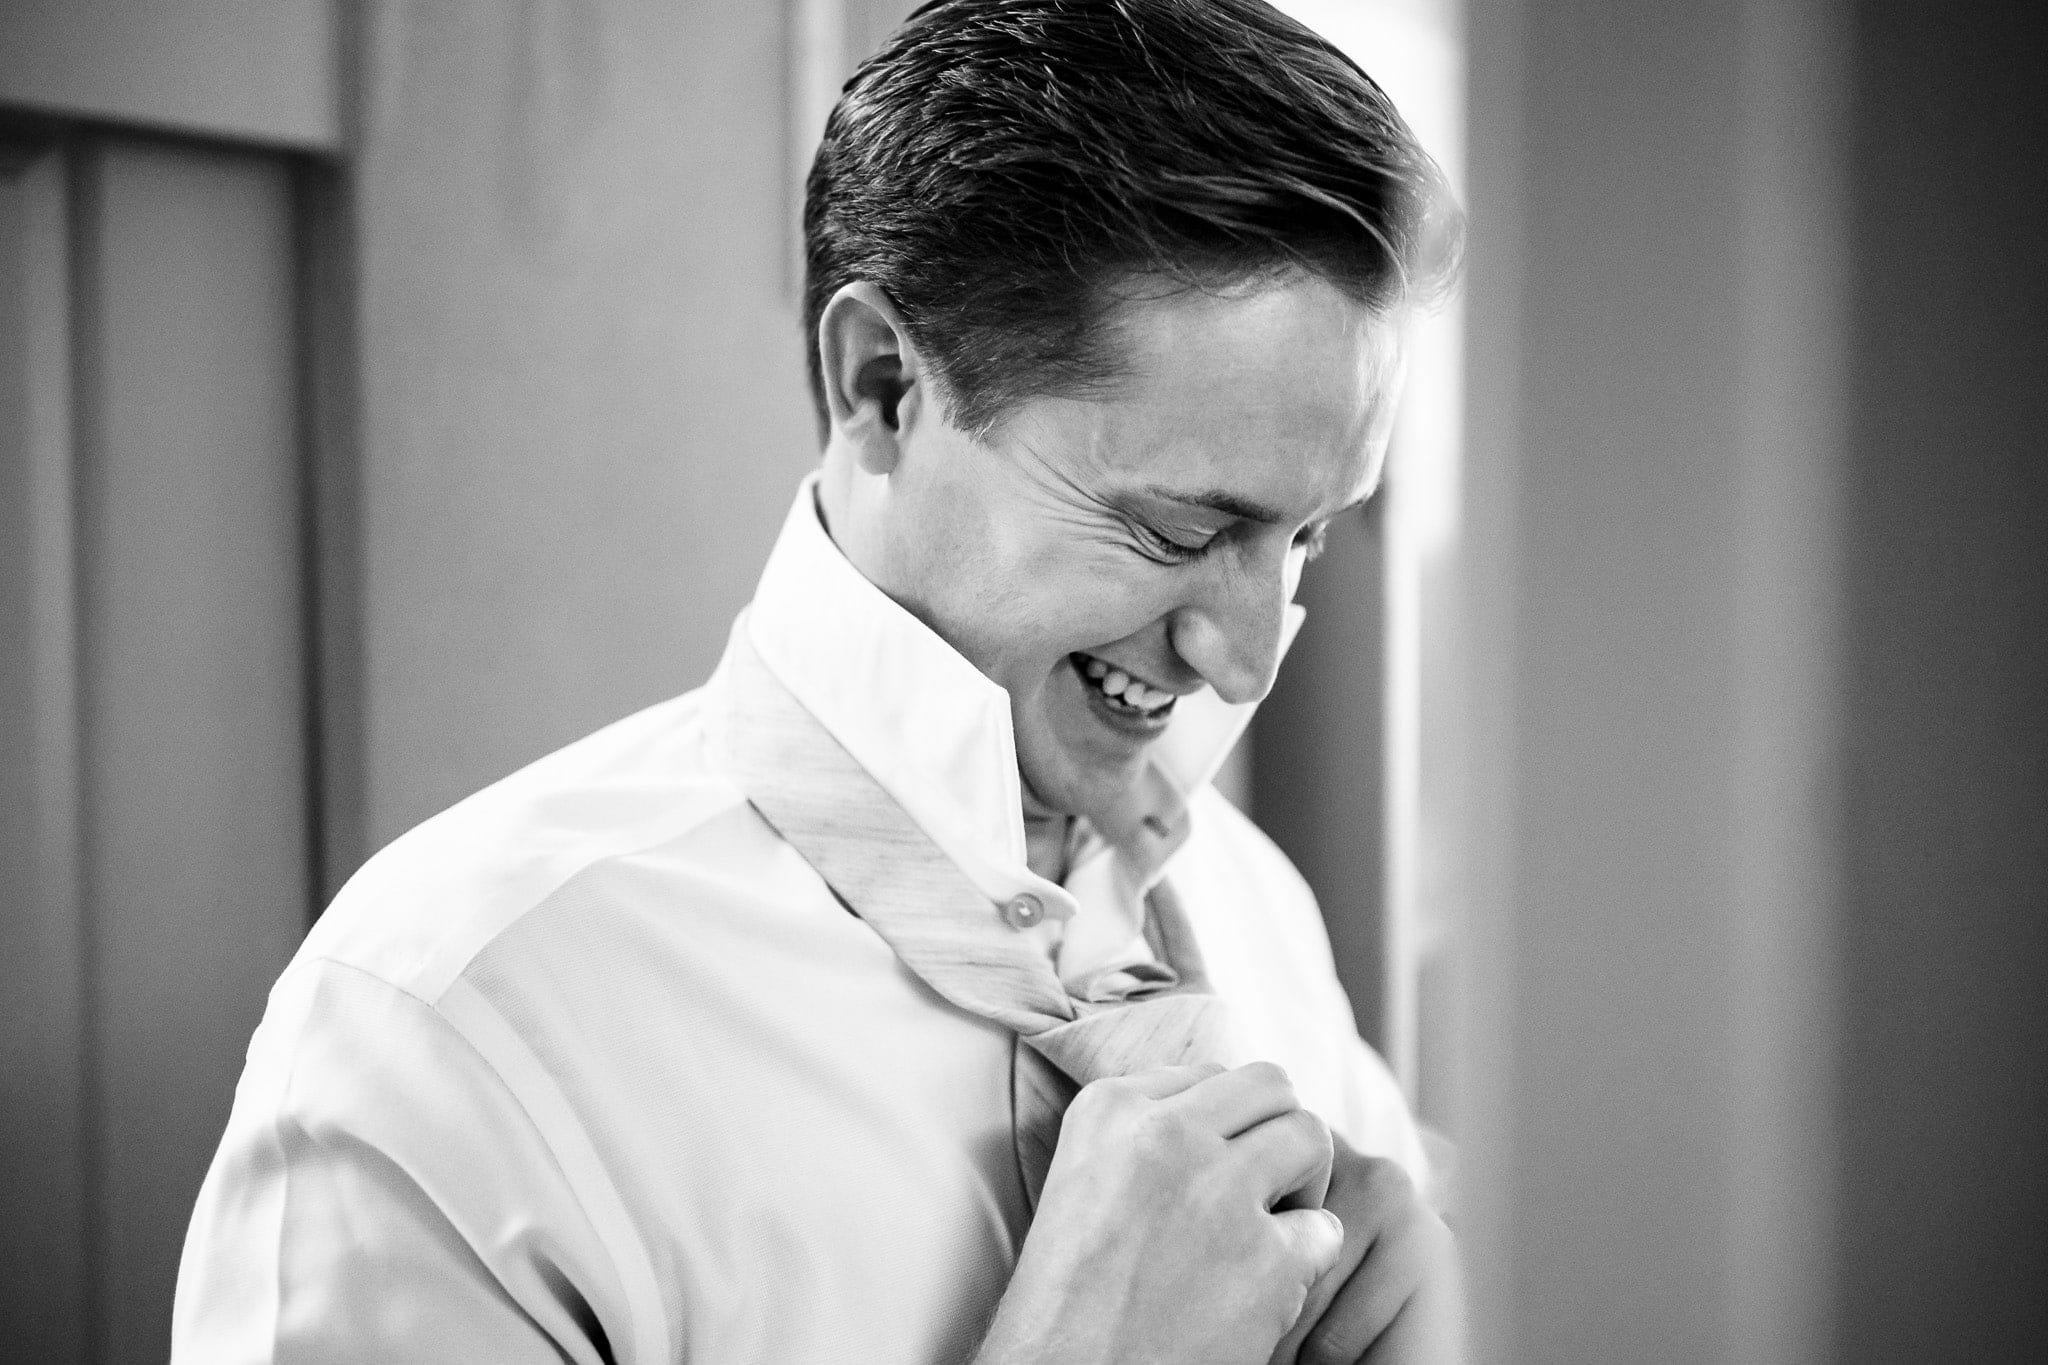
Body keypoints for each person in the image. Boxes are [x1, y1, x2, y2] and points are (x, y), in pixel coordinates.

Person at [172, 0, 1465, 1359]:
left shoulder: (1254, 912)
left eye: (1306, 536)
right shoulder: (457, 1025)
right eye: (1178, 530)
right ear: (884, 386)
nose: (1249, 657)